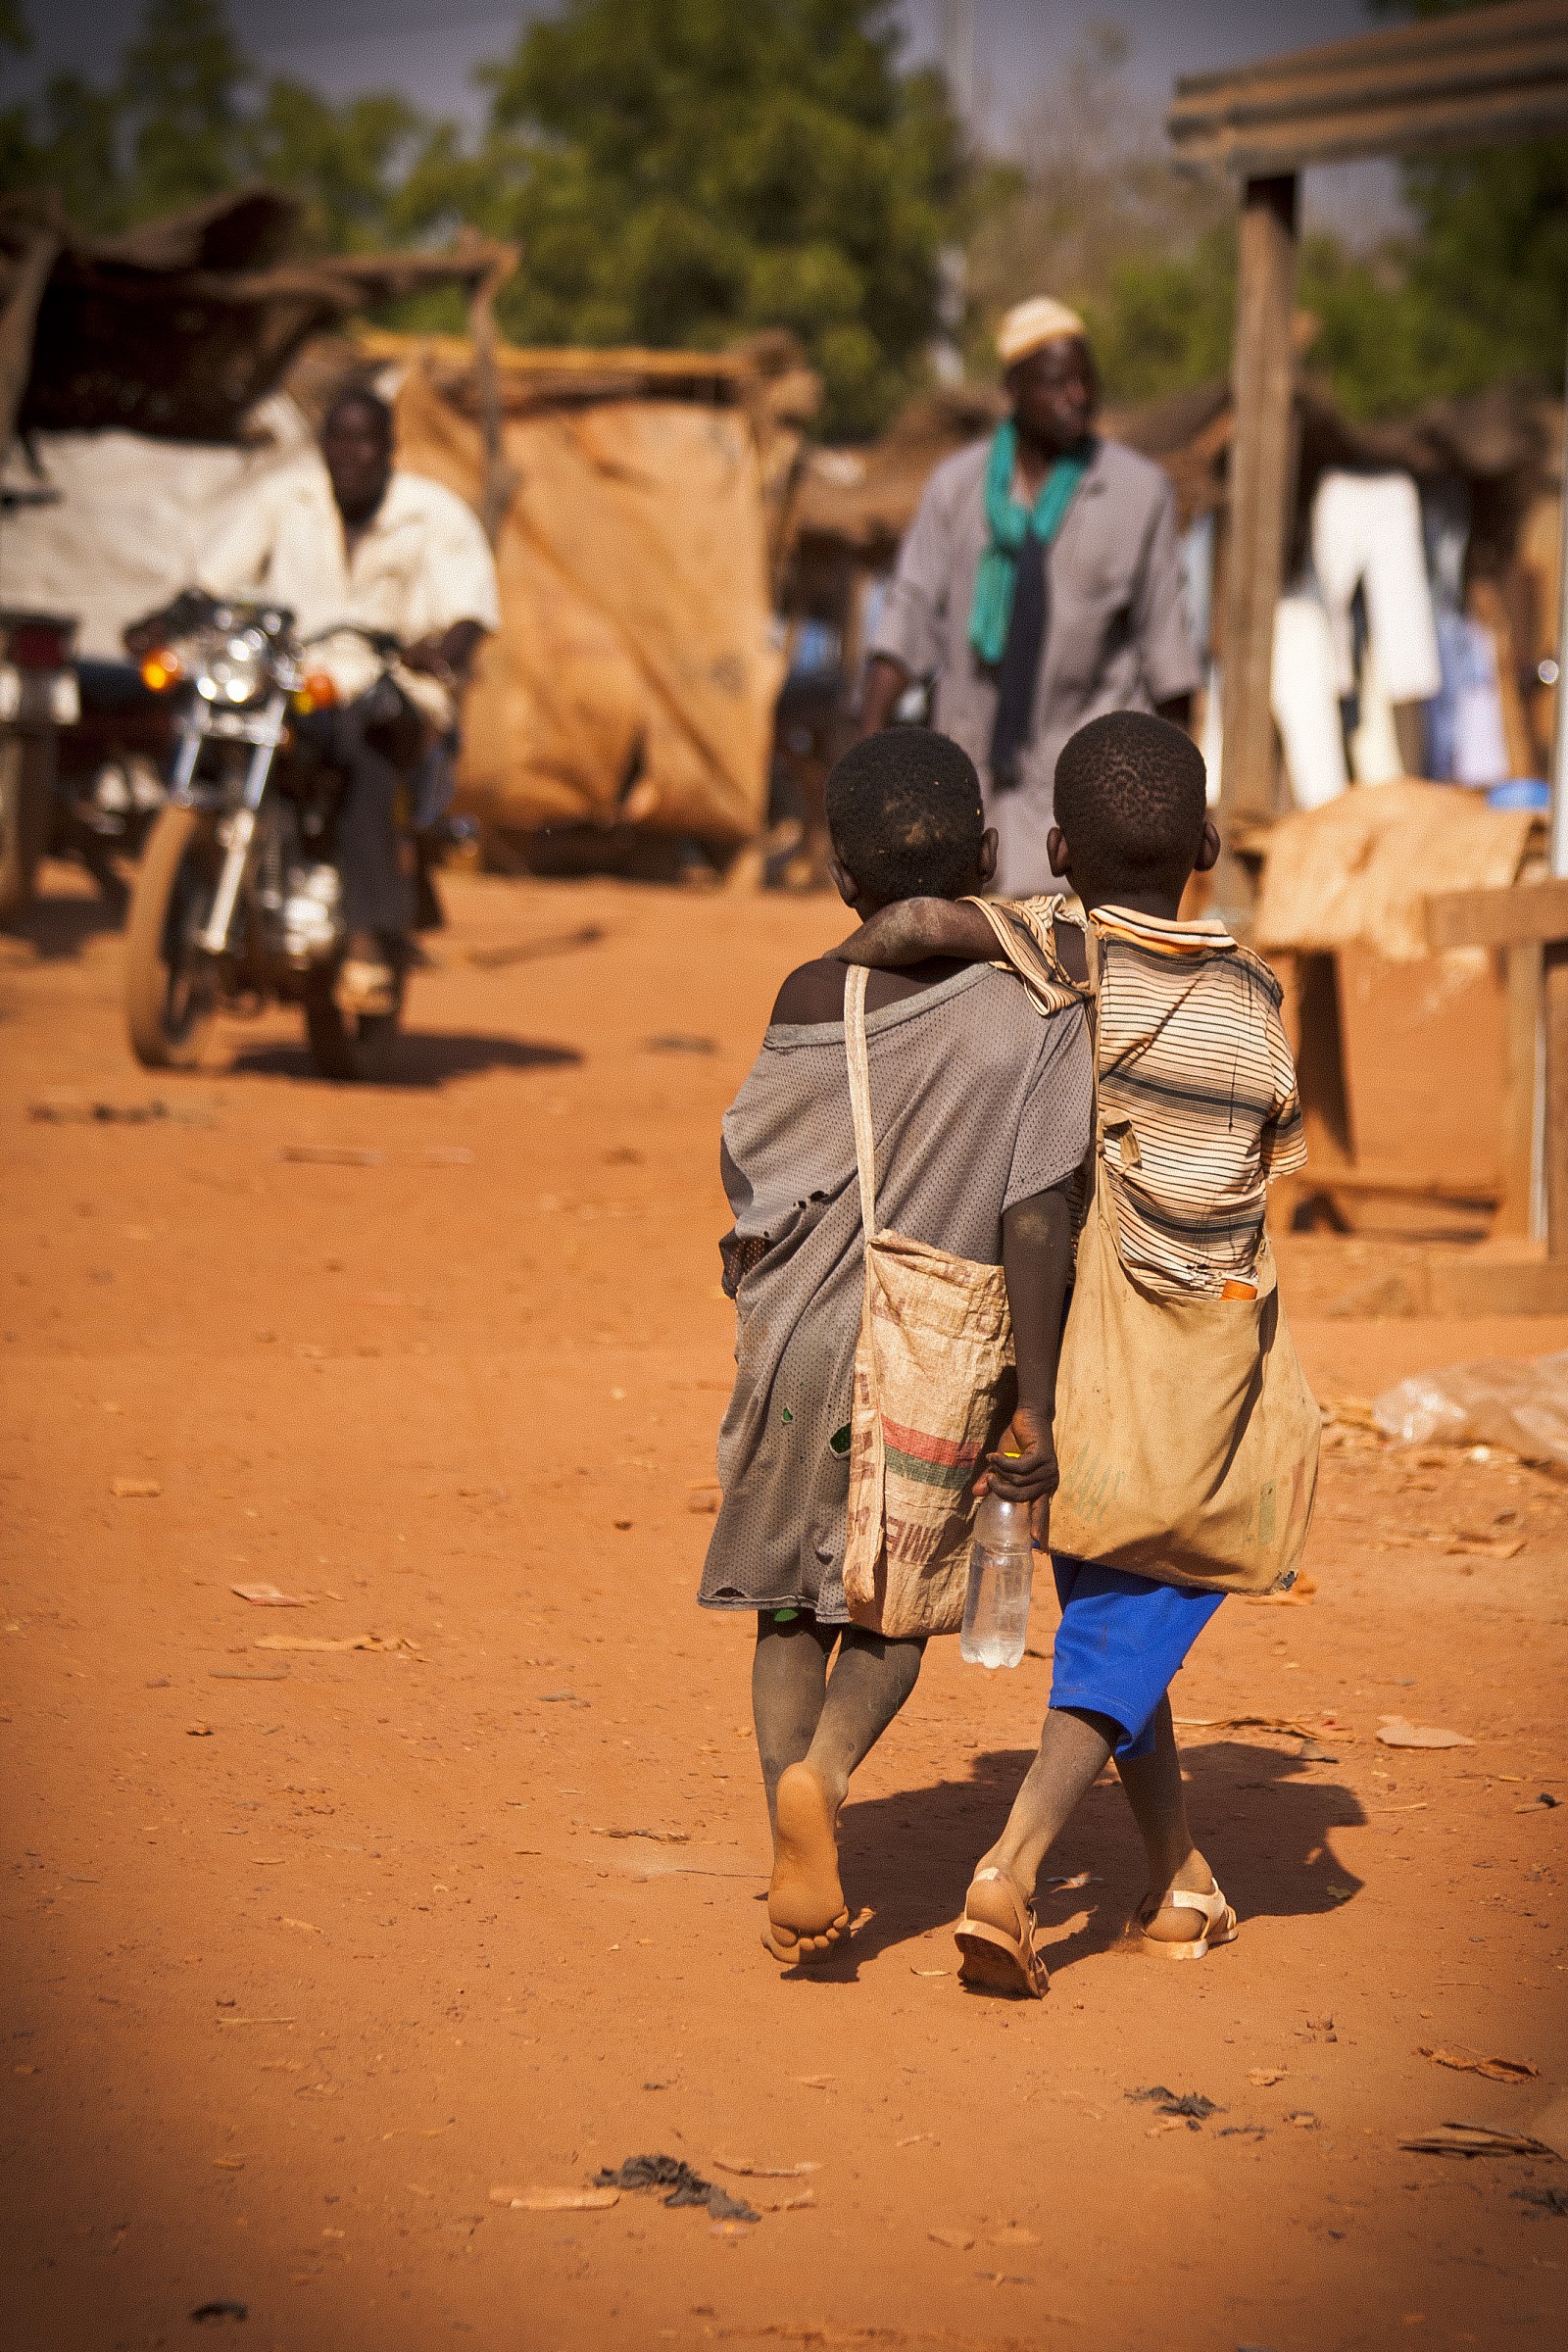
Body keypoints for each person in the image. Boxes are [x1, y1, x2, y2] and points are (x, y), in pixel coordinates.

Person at [836, 711, 1307, 1996]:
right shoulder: (1257, 1004)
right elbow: (1260, 1172)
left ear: (1055, 849)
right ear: (1208, 846)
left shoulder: (1048, 949)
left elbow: (913, 925)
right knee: (1154, 1592)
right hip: (1191, 1358)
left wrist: (845, 973)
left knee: (1117, 1597)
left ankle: (1177, 1879)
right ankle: (1015, 1866)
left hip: (1052, 1345)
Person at [698, 727, 1093, 1967]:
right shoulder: (1035, 1007)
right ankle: (826, 1773)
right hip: (936, 1349)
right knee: (892, 1609)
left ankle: (786, 1811)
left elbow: (752, 1170)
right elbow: (1037, 1210)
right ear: (986, 858)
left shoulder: (809, 995)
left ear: (839, 879)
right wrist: (1035, 1395)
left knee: (784, 1604)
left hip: (796, 1342)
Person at [140, 388, 501, 1015]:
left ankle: (366, 939)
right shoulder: (285, 499)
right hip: (294, 678)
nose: (353, 453)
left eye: (367, 440)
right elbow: (215, 581)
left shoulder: (432, 513)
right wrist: (164, 621)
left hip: (394, 684)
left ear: (389, 448)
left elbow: (469, 609)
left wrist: (444, 648)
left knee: (366, 756)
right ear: (323, 446)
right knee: (208, 719)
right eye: (340, 438)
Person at [860, 297, 1200, 896]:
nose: (1078, 395)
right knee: (970, 939)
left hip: (1085, 804)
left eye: (1087, 380)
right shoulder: (955, 488)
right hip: (971, 793)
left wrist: (1185, 802)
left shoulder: (1139, 493)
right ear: (1012, 388)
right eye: (1056, 382)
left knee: (1074, 948)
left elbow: (1168, 657)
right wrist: (865, 759)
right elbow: (906, 621)